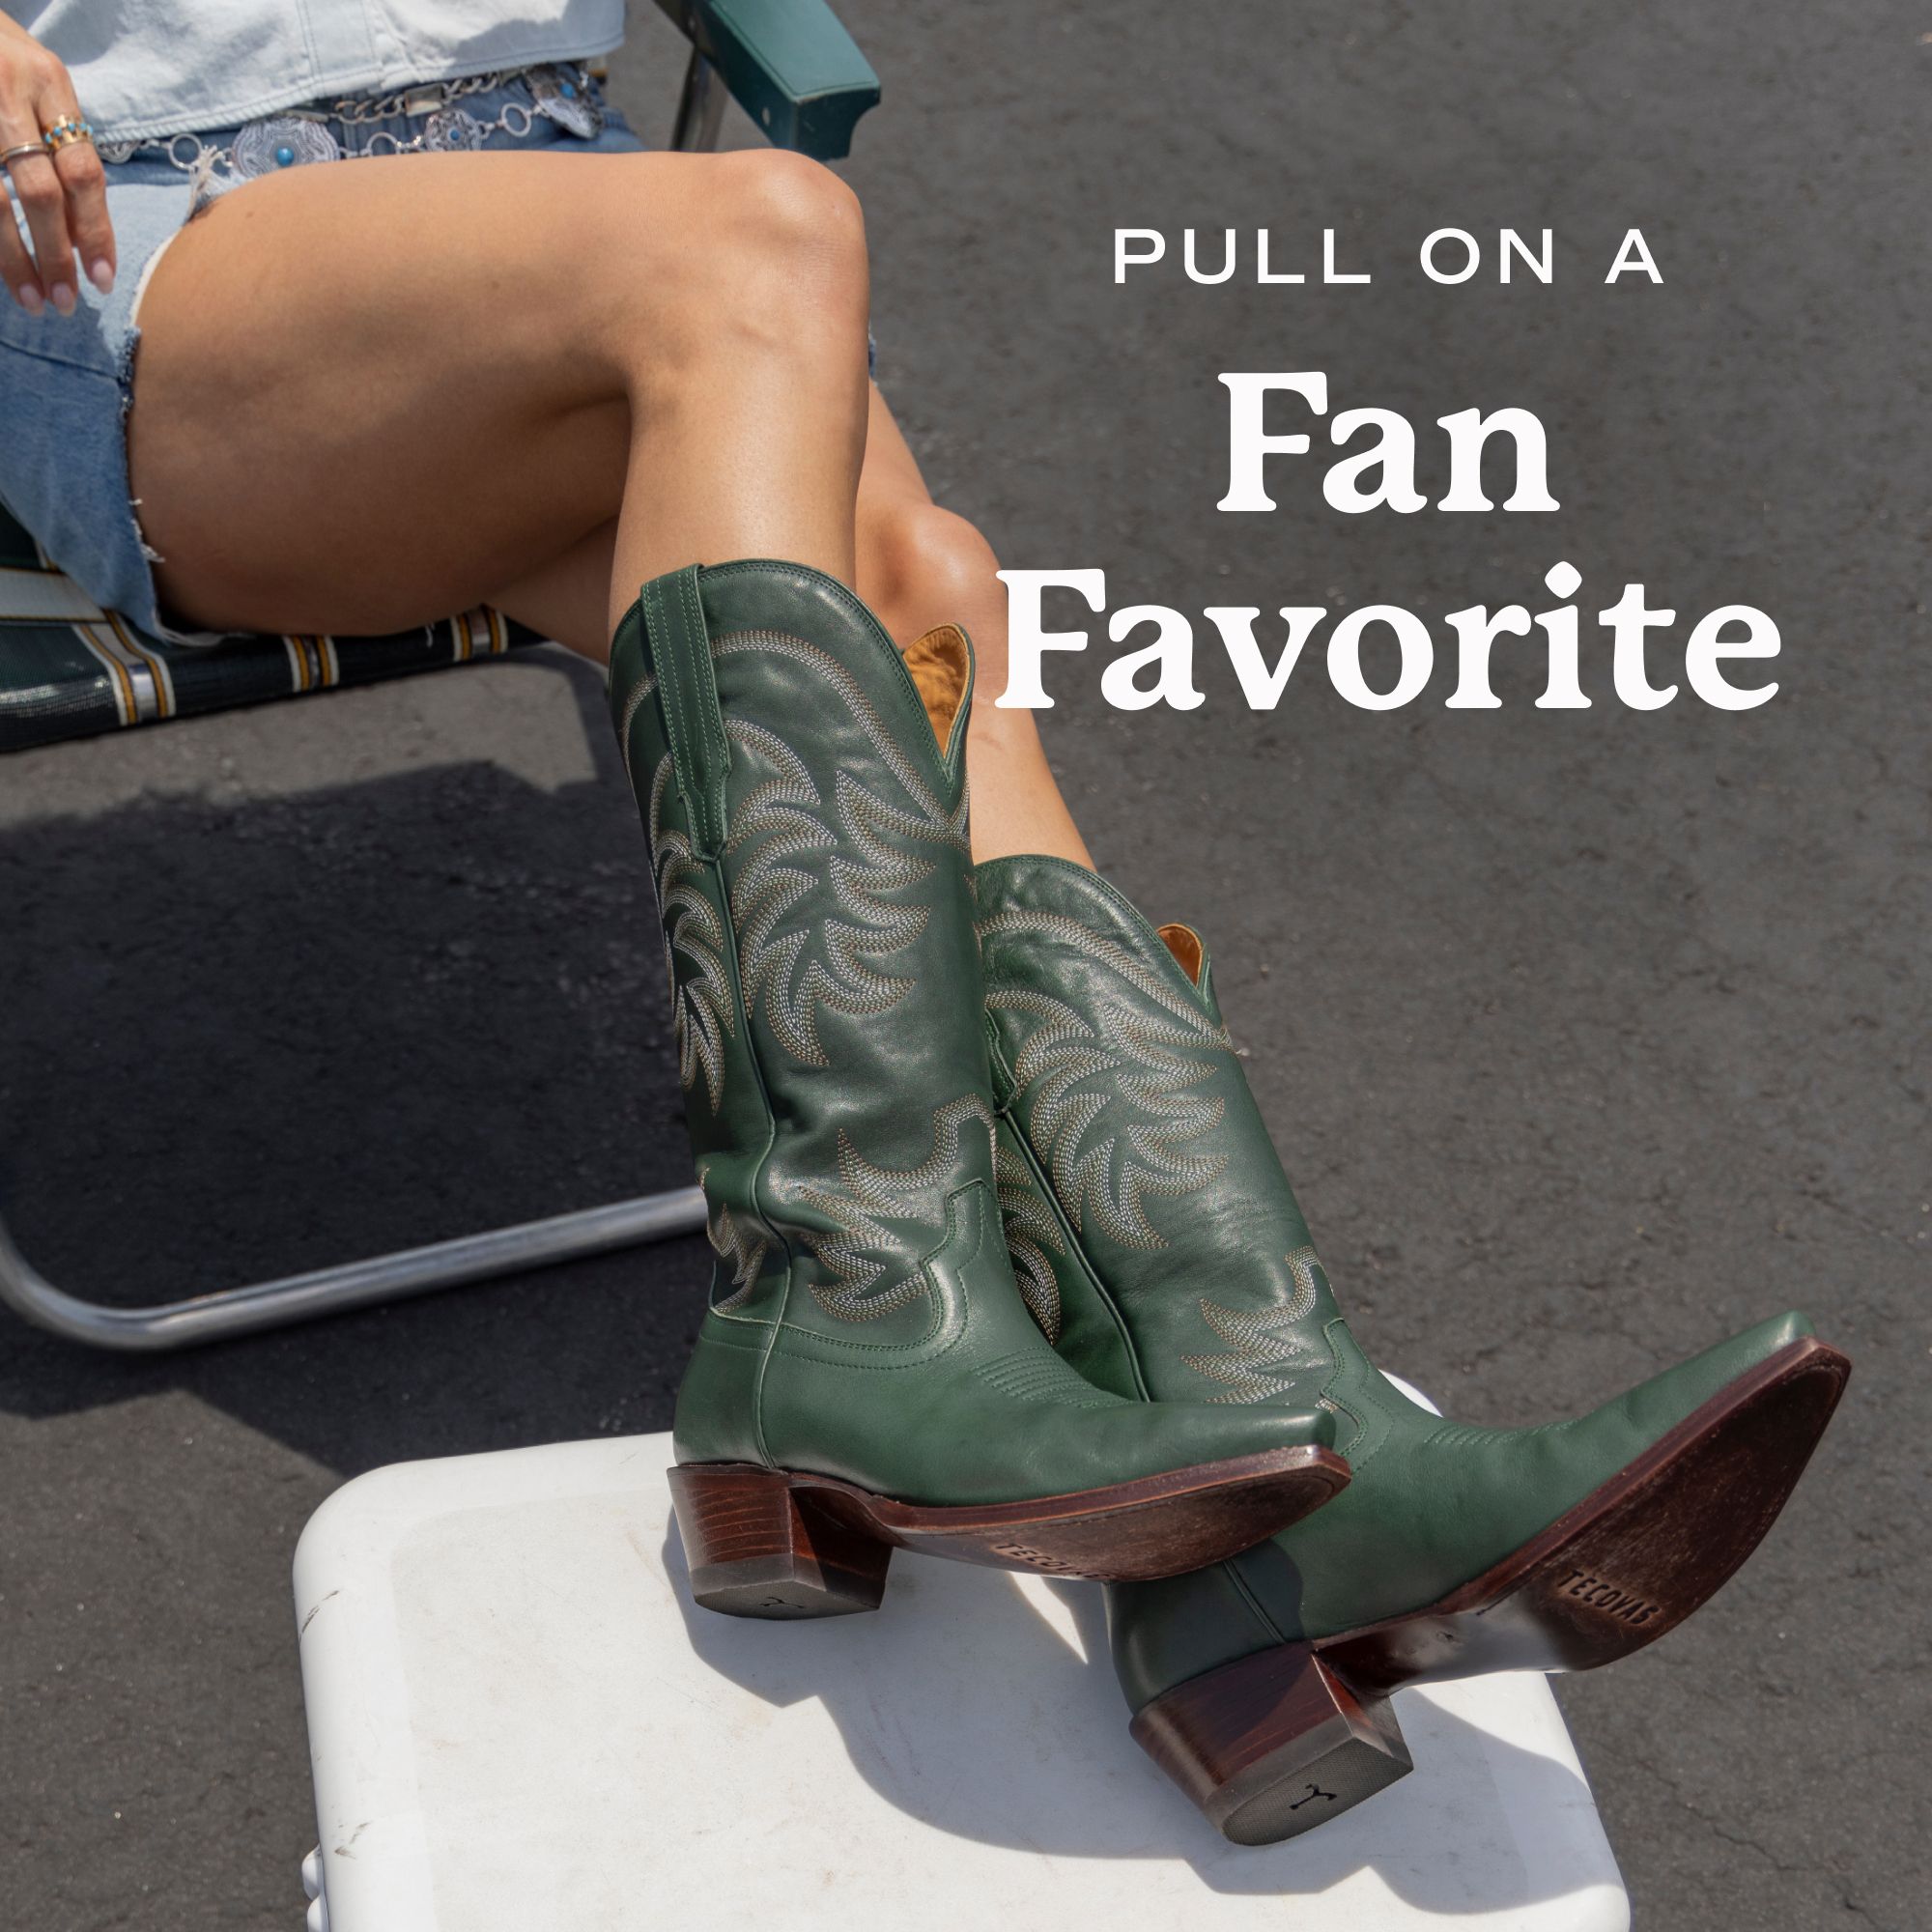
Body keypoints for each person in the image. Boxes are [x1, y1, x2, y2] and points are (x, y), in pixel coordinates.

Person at [0, 1, 1848, 1848]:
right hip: (147, 244)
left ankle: (1268, 1465)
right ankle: (848, 1299)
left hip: (545, 214)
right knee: (761, 229)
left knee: (928, 586)